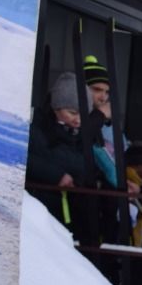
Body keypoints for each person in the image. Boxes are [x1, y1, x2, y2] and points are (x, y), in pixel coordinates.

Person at [25, 72, 103, 243]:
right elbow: (25, 161)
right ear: (56, 107)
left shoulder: (82, 134)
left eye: (84, 114)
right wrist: (56, 175)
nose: (78, 120)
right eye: (72, 113)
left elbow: (87, 165)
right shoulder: (34, 129)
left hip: (70, 210)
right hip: (42, 208)